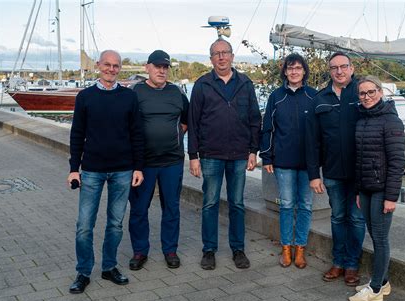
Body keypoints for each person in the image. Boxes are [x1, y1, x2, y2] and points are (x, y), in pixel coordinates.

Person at [67, 50, 144, 294]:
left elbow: (137, 135)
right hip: (91, 171)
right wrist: (73, 169)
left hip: (122, 170)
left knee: (115, 224)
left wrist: (138, 167)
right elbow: (77, 134)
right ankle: (83, 271)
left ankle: (109, 267)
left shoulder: (129, 97)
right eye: (107, 65)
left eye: (116, 66)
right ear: (99, 65)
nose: (111, 69)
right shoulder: (85, 97)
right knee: (84, 225)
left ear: (120, 68)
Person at [188, 38, 261, 270]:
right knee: (210, 203)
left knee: (237, 203)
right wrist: (193, 156)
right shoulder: (202, 85)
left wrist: (253, 151)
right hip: (210, 155)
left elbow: (254, 120)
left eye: (225, 52)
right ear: (211, 59)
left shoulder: (245, 83)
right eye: (216, 53)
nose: (221, 57)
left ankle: (238, 249)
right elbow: (193, 122)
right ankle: (209, 250)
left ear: (232, 56)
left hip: (239, 155)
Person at [305, 51, 365, 286]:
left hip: (360, 174)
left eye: (343, 66)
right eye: (334, 67)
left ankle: (352, 265)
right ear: (329, 71)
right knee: (338, 217)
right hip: (332, 173)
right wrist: (313, 175)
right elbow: (312, 141)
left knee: (357, 220)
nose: (339, 71)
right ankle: (338, 262)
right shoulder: (320, 99)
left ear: (351, 68)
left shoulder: (362, 93)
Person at [128, 50, 189, 270]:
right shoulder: (135, 92)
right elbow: (127, 124)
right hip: (142, 164)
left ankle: (170, 250)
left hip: (172, 161)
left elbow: (186, 121)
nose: (162, 71)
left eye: (165, 67)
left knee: (171, 207)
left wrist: (173, 138)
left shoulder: (177, 93)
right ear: (147, 68)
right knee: (139, 208)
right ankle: (139, 251)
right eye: (157, 66)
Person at [349, 75, 405, 301]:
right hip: (366, 189)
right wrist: (358, 191)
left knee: (380, 239)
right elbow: (360, 158)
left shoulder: (391, 121)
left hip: (383, 190)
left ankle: (374, 290)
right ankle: (383, 282)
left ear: (380, 92)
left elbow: (397, 162)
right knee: (374, 236)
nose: (367, 96)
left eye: (371, 92)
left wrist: (391, 197)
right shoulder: (363, 118)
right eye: (362, 93)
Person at [260, 53, 317, 269]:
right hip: (283, 161)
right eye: (290, 68)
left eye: (298, 68)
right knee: (286, 205)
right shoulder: (276, 96)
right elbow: (268, 129)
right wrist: (266, 156)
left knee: (306, 205)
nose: (294, 72)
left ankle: (300, 248)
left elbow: (320, 131)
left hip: (308, 163)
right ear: (285, 71)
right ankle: (286, 248)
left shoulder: (313, 96)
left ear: (304, 71)